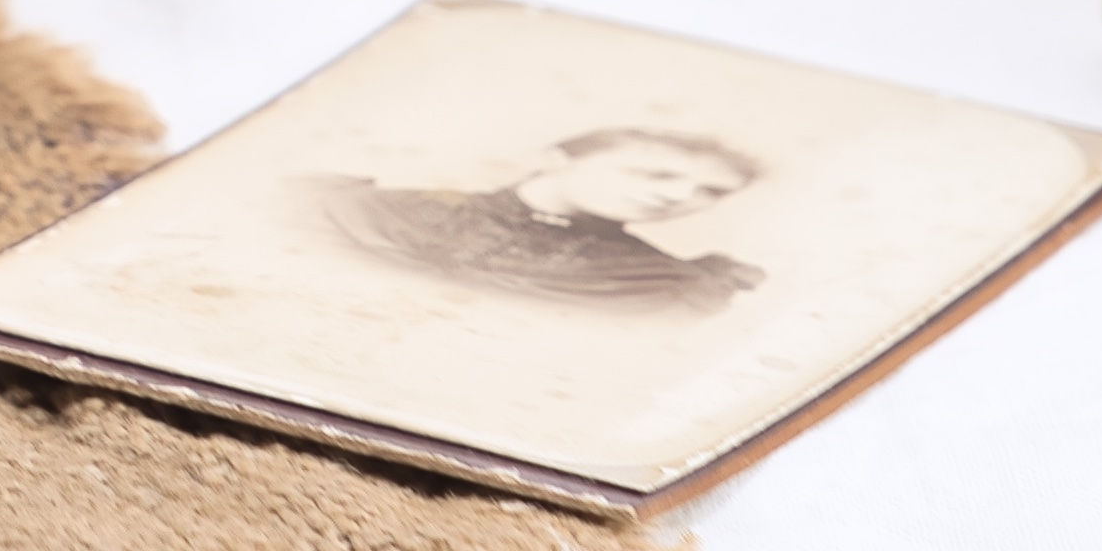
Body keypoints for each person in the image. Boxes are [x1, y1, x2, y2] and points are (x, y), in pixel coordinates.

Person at [312, 126, 768, 314]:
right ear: (553, 160)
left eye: (710, 191)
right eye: (656, 173)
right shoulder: (376, 206)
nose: (676, 196)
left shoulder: (658, 280)